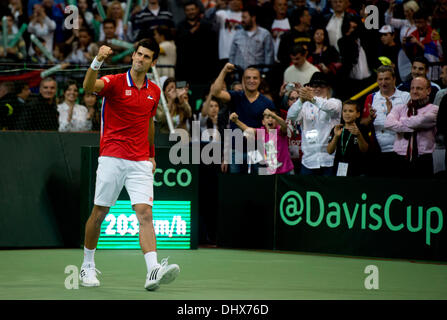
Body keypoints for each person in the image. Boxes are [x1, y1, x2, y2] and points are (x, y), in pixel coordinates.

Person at [80, 39, 180, 290]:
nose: (140, 59)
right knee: (99, 214)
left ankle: (152, 271)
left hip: (140, 161)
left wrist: (151, 153)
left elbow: (149, 122)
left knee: (145, 214)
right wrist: (98, 60)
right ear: (132, 56)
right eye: (138, 54)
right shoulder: (114, 82)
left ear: (153, 62)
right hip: (112, 156)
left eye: (146, 57)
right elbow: (88, 85)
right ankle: (87, 265)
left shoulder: (154, 91)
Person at [211, 63, 276, 174]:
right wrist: (224, 71)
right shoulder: (236, 96)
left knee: (258, 187)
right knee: (235, 187)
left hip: (258, 151)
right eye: (248, 78)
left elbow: (272, 132)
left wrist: (271, 157)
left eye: (255, 78)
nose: (251, 80)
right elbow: (215, 92)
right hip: (235, 151)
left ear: (260, 80)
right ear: (243, 80)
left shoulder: (267, 103)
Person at [287, 72, 342, 175]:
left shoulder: (335, 102)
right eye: (314, 86)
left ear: (328, 88)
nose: (317, 89)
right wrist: (301, 100)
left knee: (327, 191)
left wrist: (312, 98)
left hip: (328, 160)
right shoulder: (304, 105)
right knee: (306, 190)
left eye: (321, 86)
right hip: (308, 160)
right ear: (310, 87)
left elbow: (329, 107)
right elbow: (291, 116)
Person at [361, 65, 410, 177]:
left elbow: (408, 124)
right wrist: (370, 118)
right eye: (380, 79)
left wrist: (391, 113)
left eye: (387, 79)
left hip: (400, 151)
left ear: (394, 79)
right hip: (378, 152)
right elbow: (362, 124)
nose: (383, 82)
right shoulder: (371, 98)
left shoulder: (405, 96)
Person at [384, 77, 439, 178]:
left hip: (423, 159)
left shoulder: (434, 109)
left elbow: (420, 121)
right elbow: (388, 123)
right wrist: (414, 125)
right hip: (400, 157)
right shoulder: (400, 108)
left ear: (428, 90)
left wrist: (401, 121)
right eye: (412, 88)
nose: (414, 91)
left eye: (419, 88)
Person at [230, 108, 294, 174]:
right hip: (271, 172)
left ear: (277, 121)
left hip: (287, 171)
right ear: (263, 122)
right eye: (267, 117)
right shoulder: (261, 132)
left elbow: (284, 125)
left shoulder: (280, 131)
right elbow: (247, 129)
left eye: (273, 117)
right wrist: (236, 121)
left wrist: (273, 114)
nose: (270, 119)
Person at [175, 1, 219, 84]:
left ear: (197, 9)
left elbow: (213, 48)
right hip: (185, 70)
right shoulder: (180, 26)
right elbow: (178, 44)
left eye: (192, 9)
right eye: (188, 10)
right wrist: (191, 32)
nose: (190, 12)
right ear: (184, 11)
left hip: (204, 70)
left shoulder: (206, 25)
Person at [327, 99, 369, 176]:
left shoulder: (362, 128)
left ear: (358, 114)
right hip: (338, 169)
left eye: (350, 111)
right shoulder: (337, 128)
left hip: (356, 171)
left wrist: (358, 135)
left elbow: (365, 150)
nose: (347, 114)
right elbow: (329, 151)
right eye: (345, 111)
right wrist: (336, 136)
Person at [229, 6, 274, 71]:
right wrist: (232, 71)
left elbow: (269, 56)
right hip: (239, 75)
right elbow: (232, 54)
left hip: (257, 76)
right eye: (242, 17)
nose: (242, 20)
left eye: (244, 17)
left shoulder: (265, 34)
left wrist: (265, 74)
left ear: (253, 18)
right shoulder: (238, 34)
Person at [385, 0, 419, 82]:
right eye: (405, 12)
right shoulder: (404, 23)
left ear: (414, 11)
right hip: (404, 54)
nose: (405, 14)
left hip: (417, 53)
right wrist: (390, 9)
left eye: (408, 11)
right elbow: (388, 21)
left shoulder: (419, 24)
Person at [215, 0, 243, 65]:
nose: (235, 2)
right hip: (225, 54)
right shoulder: (222, 13)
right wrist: (216, 7)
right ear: (228, 2)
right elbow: (208, 18)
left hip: (242, 54)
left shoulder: (246, 15)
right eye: (232, 0)